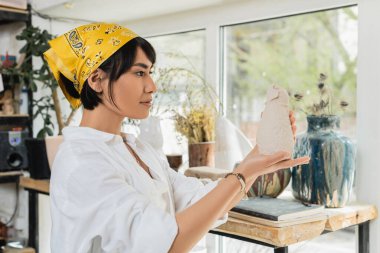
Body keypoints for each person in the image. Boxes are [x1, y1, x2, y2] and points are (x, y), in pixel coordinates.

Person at [43, 23, 309, 253]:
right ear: (97, 79)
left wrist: (258, 157)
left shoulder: (136, 148)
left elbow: (199, 199)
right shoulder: (82, 163)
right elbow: (166, 243)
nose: (152, 86)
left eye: (150, 73)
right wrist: (243, 175)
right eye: (139, 72)